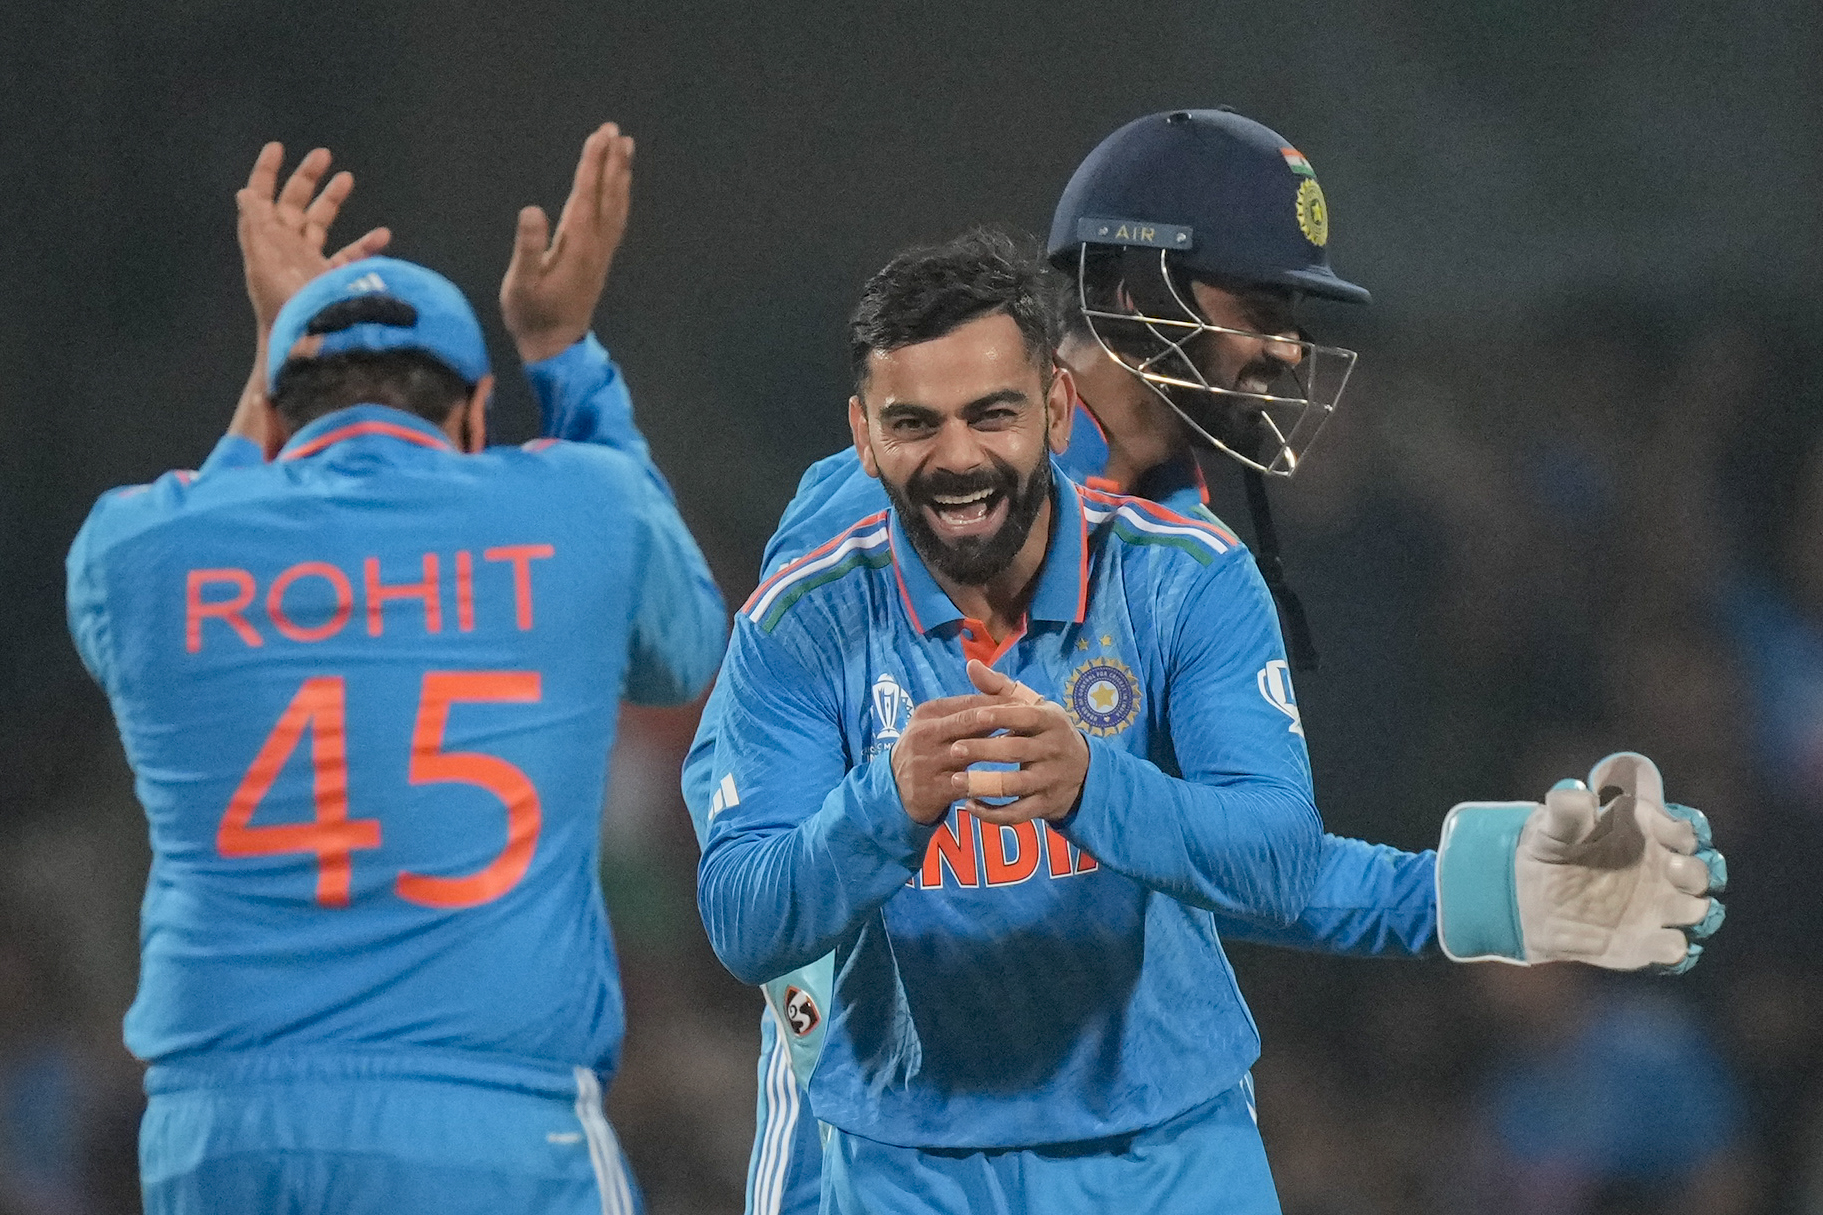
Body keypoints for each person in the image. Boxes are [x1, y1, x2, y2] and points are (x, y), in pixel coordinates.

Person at [682, 109, 1727, 1214]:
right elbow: (742, 816)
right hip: (903, 1125)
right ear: (1138, 301)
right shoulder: (890, 496)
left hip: (1122, 1125)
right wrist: (839, 1104)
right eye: (1258, 308)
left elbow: (1219, 856)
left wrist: (1485, 893)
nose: (1283, 349)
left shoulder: (1180, 547)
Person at [65, 125, 725, 1214]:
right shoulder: (576, 505)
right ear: (473, 413)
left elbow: (183, 557)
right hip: (494, 1129)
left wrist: (275, 339)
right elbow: (682, 654)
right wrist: (562, 352)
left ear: (276, 417)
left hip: (223, 1138)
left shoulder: (138, 547)